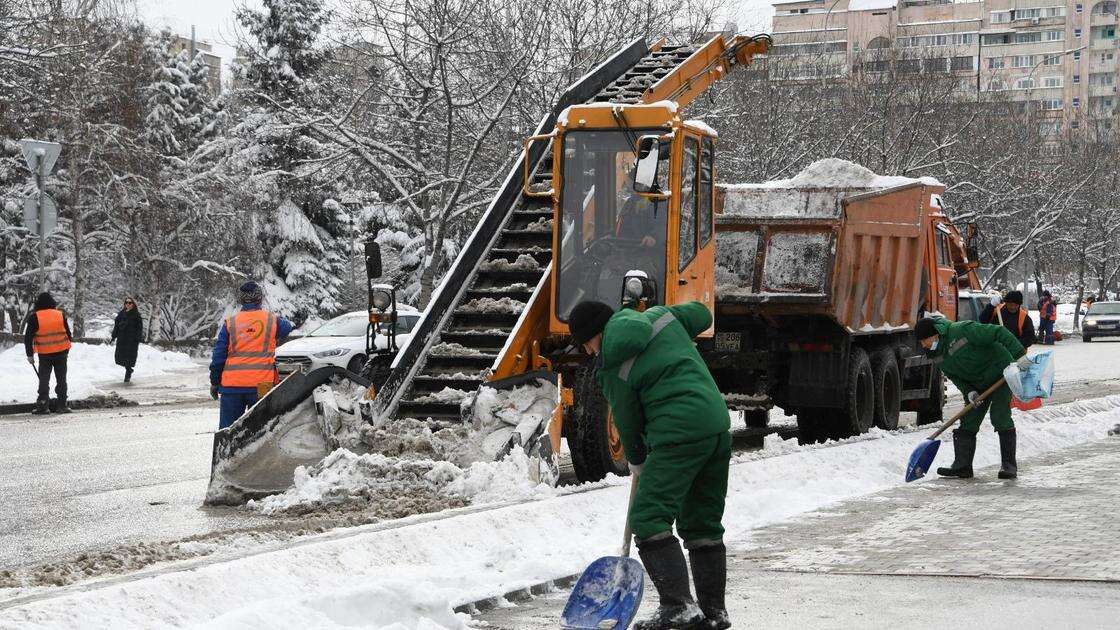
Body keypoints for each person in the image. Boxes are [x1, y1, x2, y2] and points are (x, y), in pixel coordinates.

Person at [568, 300, 730, 630]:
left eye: (586, 343)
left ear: (597, 334)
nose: (587, 352)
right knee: (702, 524)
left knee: (648, 518)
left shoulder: (612, 364)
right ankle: (713, 613)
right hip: (716, 427)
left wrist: (638, 461)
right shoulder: (661, 318)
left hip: (678, 433)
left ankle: (678, 607)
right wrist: (667, 318)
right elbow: (702, 314)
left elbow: (627, 423)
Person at [914, 317, 1030, 480]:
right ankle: (962, 466)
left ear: (936, 334)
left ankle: (1009, 466)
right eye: (920, 342)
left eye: (924, 340)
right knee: (968, 421)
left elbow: (999, 332)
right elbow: (955, 376)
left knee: (1000, 416)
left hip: (1000, 375)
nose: (923, 345)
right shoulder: (935, 355)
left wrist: (1019, 355)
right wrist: (969, 392)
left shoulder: (962, 330)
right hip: (977, 385)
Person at [209, 281, 292, 429]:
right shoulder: (272, 321)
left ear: (241, 300)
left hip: (232, 386)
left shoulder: (230, 323)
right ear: (260, 298)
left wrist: (215, 382)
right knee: (261, 430)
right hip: (262, 385)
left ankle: (227, 453)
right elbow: (287, 327)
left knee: (228, 431)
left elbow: (218, 357)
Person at [23, 292, 73, 414]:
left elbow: (28, 337)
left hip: (45, 355)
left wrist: (30, 355)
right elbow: (68, 333)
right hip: (62, 353)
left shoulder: (35, 317)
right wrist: (66, 347)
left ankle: (43, 405)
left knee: (44, 380)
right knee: (61, 379)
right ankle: (62, 405)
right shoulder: (60, 314)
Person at [110, 297, 143, 382]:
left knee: (128, 358)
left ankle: (128, 372)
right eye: (126, 303)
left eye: (130, 303)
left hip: (131, 340)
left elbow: (139, 328)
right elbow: (116, 326)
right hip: (122, 339)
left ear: (133, 304)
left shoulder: (136, 315)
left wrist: (137, 338)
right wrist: (113, 337)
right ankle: (129, 369)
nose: (127, 304)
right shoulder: (121, 314)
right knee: (119, 357)